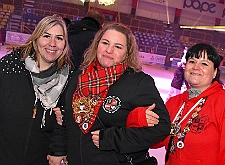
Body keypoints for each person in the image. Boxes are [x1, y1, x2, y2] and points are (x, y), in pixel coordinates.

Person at [48, 22, 171, 165]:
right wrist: (58, 149)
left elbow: (162, 127)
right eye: (105, 43)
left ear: (127, 53)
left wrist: (111, 139)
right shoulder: (78, 77)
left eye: (118, 46)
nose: (109, 50)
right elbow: (63, 114)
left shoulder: (139, 82)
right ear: (97, 45)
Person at [127, 43, 225, 165]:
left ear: (215, 72)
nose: (196, 67)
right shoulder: (174, 103)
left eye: (204, 64)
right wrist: (140, 118)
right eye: (192, 61)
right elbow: (153, 141)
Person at [0, 15, 71, 165]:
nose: (52, 43)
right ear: (36, 38)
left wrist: (58, 151)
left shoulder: (69, 79)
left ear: (64, 44)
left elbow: (62, 127)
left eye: (59, 38)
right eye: (46, 36)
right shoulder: (10, 66)